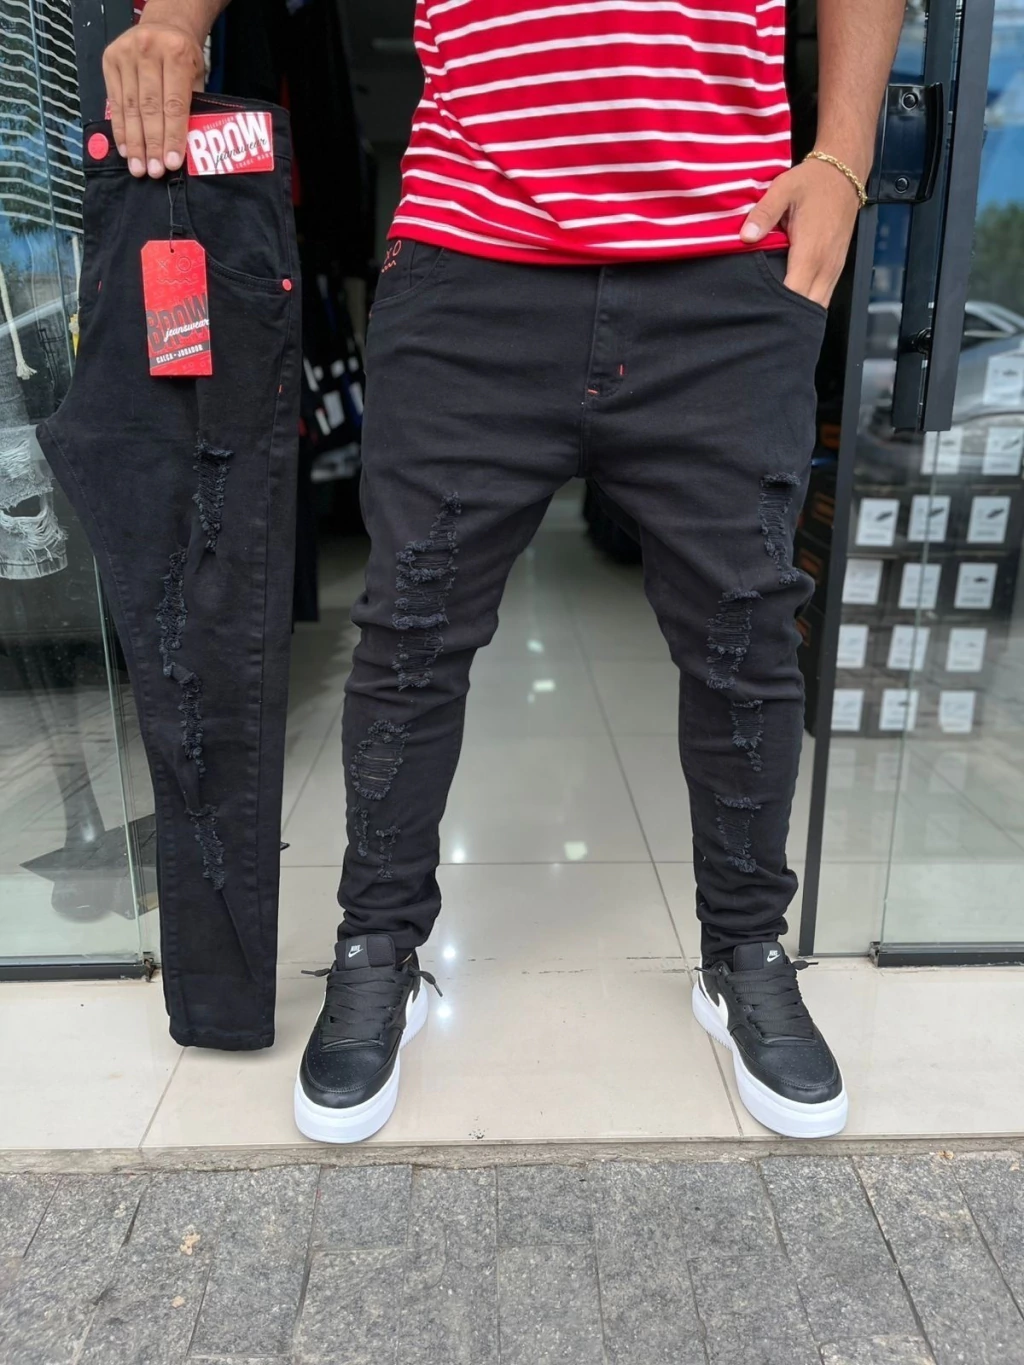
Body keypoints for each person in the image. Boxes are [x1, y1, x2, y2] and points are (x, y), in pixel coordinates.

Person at [104, 0, 904, 1143]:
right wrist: (181, 18)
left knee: (744, 631)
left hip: (720, 255)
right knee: (410, 632)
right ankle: (376, 946)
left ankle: (745, 952)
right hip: (469, 251)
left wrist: (844, 155)